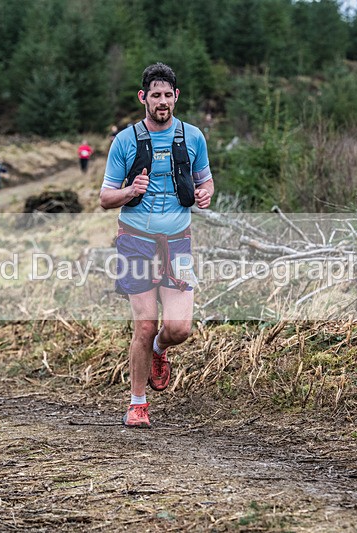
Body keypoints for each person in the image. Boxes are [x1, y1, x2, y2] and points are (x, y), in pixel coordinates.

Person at [99, 63, 214, 428]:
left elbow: (206, 182)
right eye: (155, 95)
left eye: (167, 95)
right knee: (146, 324)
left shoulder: (193, 137)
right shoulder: (125, 140)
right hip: (135, 241)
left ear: (176, 96)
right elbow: (104, 198)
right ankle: (137, 404)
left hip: (178, 243)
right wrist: (130, 191)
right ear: (143, 98)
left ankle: (159, 351)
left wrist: (205, 194)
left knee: (179, 329)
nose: (162, 101)